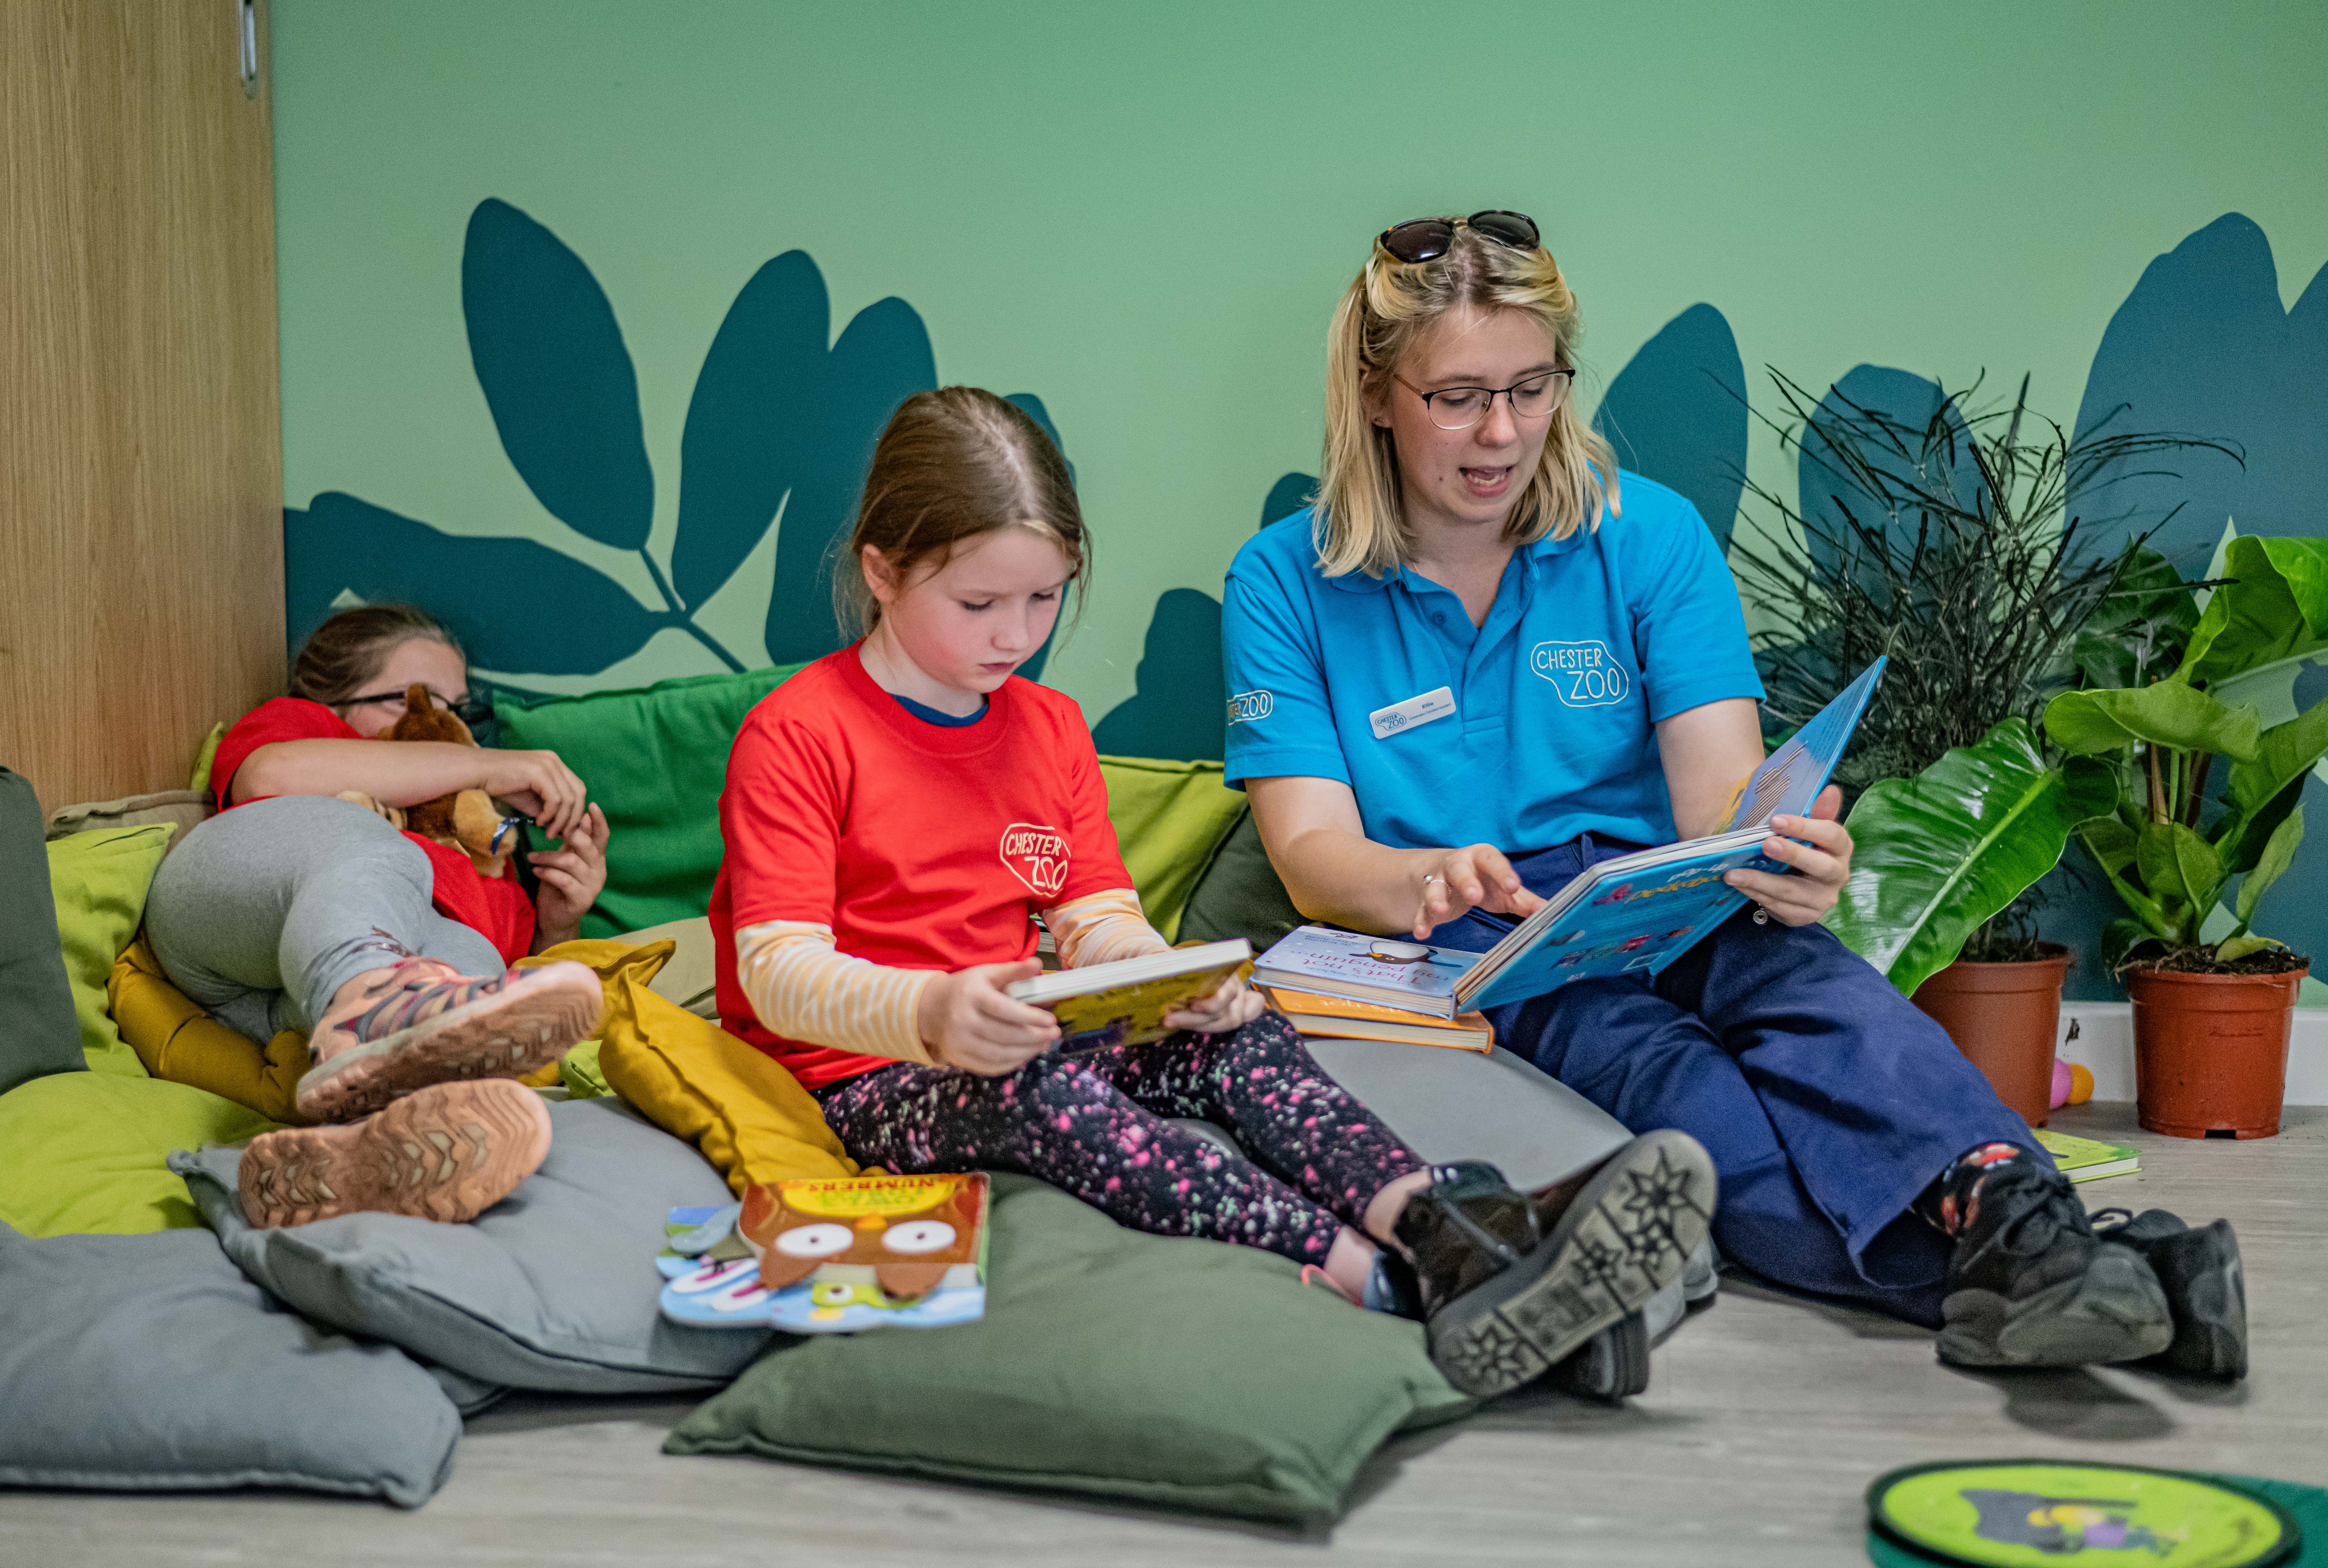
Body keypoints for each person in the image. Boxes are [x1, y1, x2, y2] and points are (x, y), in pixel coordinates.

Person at [1221, 210, 2244, 1375]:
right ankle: (2109, 1271)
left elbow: (1719, 797)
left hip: (1665, 889)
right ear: (1374, 391)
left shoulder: (1645, 535)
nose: (1499, 432)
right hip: (1494, 940)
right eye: (1456, 395)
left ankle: (2026, 1229)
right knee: (1687, 1104)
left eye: (1531, 385)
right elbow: (1308, 852)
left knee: (1823, 1001)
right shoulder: (1281, 581)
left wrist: (1785, 852)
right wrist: (1430, 874)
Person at [708, 385, 1718, 1399]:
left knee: (1235, 1035)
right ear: (881, 572)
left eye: (1043, 598)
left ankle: (1447, 1228)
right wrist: (929, 1013)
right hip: (864, 1076)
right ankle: (1394, 1282)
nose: (1012, 635)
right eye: (976, 604)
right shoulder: (801, 733)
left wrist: (1161, 981)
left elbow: (1092, 914)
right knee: (1035, 1093)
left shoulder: (1048, 726)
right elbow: (777, 972)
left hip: (1029, 1026)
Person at [144, 605, 611, 1228]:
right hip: (231, 924)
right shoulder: (309, 732)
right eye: (411, 701)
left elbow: (514, 993)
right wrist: (490, 766)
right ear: (335, 704)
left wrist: (558, 923)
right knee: (377, 848)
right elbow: (268, 779)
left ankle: (353, 1155)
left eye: (459, 710)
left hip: (294, 1018)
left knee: (460, 957)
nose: (440, 724)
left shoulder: (485, 863)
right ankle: (368, 1001)